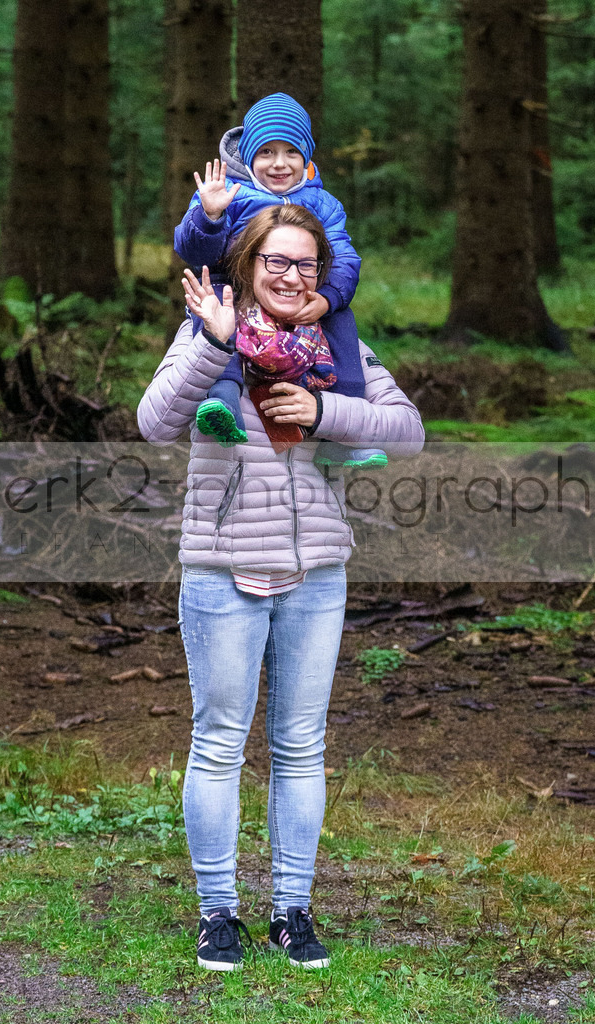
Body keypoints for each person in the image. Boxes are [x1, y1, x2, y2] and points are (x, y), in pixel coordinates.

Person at [138, 204, 424, 972]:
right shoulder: (208, 331)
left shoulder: (337, 346)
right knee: (220, 743)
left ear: (321, 277)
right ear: (247, 267)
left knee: (301, 747)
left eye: (306, 265)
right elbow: (154, 420)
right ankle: (217, 914)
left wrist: (326, 409)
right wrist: (215, 345)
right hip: (220, 569)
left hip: (316, 575)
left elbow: (408, 429)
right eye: (276, 262)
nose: (291, 277)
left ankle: (292, 912)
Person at [174, 91, 386, 469]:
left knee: (340, 319)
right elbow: (194, 252)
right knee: (214, 306)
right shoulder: (230, 193)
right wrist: (209, 215)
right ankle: (223, 400)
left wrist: (328, 296)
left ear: (306, 157)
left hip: (300, 296)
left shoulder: (322, 204)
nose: (279, 163)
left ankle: (342, 427)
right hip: (236, 286)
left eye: (291, 152)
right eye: (266, 152)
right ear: (250, 156)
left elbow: (344, 257)